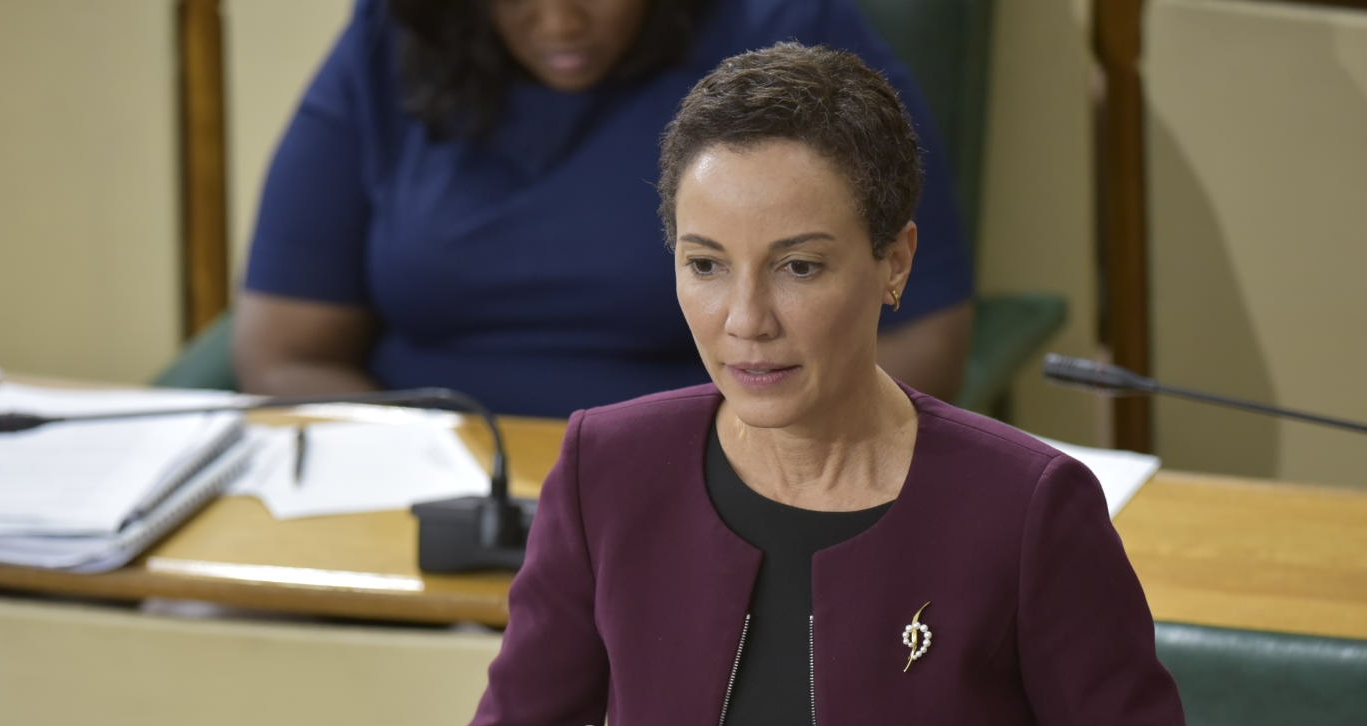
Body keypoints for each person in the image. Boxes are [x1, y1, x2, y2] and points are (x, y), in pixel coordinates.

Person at [457, 42, 1215, 726]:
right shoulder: (608, 468)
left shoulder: (1026, 507)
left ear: (895, 263)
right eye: (705, 263)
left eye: (799, 266)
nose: (745, 321)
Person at [234, 0, 973, 417]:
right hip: (426, 498)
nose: (560, 23)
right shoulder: (394, 37)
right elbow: (285, 351)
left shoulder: (787, 39)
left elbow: (923, 334)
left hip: (711, 487)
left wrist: (744, 476)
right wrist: (435, 471)